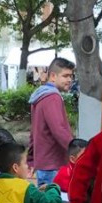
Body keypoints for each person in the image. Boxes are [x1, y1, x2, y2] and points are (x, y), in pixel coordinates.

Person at [28, 57, 75, 187]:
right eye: (65, 76)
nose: (70, 80)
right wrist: (77, 151)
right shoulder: (52, 97)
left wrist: (31, 159)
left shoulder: (39, 96)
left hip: (43, 164)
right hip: (53, 166)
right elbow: (59, 130)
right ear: (53, 76)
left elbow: (34, 132)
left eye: (71, 76)